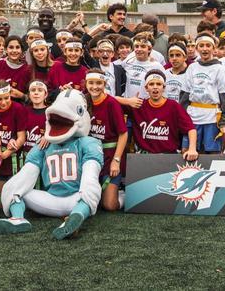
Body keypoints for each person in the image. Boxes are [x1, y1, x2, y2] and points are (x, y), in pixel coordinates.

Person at [178, 34, 225, 153]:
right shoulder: (192, 67)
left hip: (211, 117)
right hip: (193, 115)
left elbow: (224, 96)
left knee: (212, 151)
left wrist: (224, 119)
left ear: (214, 48)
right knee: (187, 149)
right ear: (197, 48)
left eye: (208, 45)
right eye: (201, 45)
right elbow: (185, 94)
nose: (205, 49)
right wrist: (182, 115)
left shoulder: (219, 69)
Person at [129, 69, 198, 159]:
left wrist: (192, 149)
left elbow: (191, 129)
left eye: (158, 84)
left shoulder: (173, 106)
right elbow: (112, 101)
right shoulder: (138, 104)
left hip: (168, 157)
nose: (155, 87)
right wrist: (127, 101)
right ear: (146, 88)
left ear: (164, 87)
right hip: (144, 157)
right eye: (151, 84)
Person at [84, 70, 128, 211]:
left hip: (110, 156)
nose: (94, 87)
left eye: (99, 83)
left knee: (109, 205)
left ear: (105, 84)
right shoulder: (83, 101)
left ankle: (124, 195)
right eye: (91, 83)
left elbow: (123, 134)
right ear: (86, 84)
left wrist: (116, 160)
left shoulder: (111, 103)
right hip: (90, 156)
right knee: (90, 200)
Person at [0, 80, 28, 190]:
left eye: (6, 98)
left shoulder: (18, 108)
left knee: (11, 194)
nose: (3, 102)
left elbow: (22, 137)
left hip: (13, 160)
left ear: (11, 94)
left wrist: (5, 154)